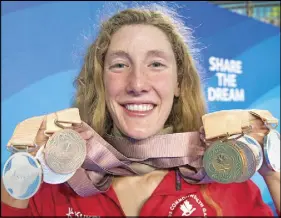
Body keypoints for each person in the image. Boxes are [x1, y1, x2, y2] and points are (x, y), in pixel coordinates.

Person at [1, 5, 280, 217]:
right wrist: (22, 167)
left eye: (156, 64)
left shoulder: (227, 187)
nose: (137, 84)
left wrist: (273, 166)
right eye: (120, 65)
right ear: (101, 82)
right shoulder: (56, 187)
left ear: (179, 83)